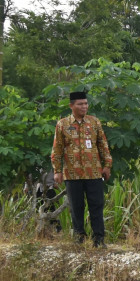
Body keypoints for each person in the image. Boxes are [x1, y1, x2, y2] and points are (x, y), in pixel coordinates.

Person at [51, 90, 112, 247]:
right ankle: (80, 237)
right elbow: (57, 149)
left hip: (94, 172)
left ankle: (98, 238)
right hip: (72, 174)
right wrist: (57, 170)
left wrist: (107, 165)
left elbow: (103, 145)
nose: (84, 106)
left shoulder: (94, 122)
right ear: (71, 106)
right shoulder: (63, 124)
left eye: (86, 103)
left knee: (96, 205)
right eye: (80, 104)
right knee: (76, 207)